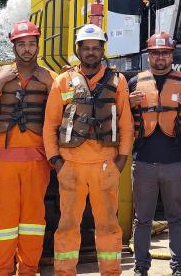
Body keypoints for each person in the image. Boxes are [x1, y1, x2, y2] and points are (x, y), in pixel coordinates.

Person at [43, 24, 134, 276]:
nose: (91, 52)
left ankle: (111, 272)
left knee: (108, 226)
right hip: (70, 165)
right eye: (87, 48)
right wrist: (56, 161)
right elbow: (50, 124)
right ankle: (64, 272)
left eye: (96, 48)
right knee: (67, 226)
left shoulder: (118, 81)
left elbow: (126, 124)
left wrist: (121, 160)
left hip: (106, 164)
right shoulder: (63, 81)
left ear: (102, 50)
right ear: (79, 50)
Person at [0, 21, 58, 276]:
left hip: (37, 161)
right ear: (14, 46)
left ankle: (28, 271)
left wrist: (51, 85)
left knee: (33, 221)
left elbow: (68, 110)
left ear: (38, 46)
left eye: (32, 43)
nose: (27, 49)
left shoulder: (50, 77)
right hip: (2, 161)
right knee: (1, 222)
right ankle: (0, 271)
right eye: (22, 44)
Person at [128, 32, 181, 276]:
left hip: (174, 164)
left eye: (165, 53)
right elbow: (120, 118)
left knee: (177, 218)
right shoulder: (134, 84)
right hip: (143, 163)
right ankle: (140, 268)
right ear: (149, 55)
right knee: (142, 220)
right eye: (155, 53)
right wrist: (127, 101)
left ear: (172, 55)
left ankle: (178, 269)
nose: (160, 58)